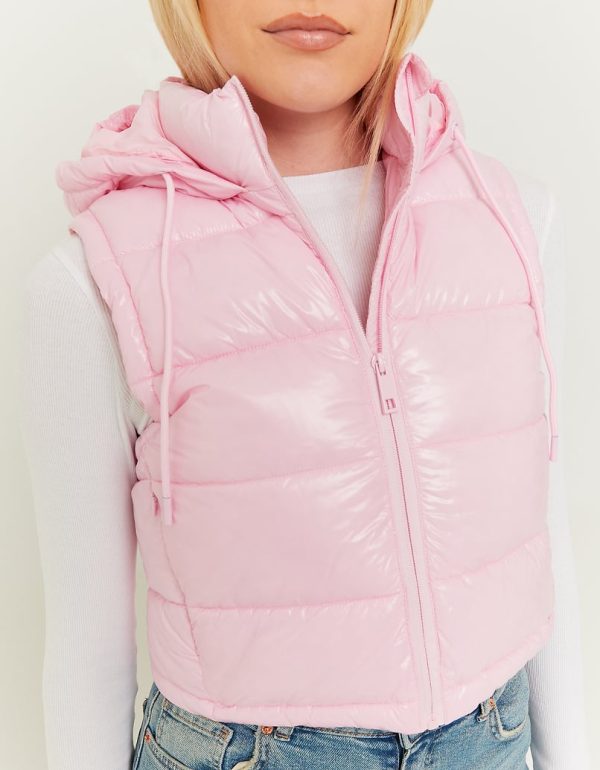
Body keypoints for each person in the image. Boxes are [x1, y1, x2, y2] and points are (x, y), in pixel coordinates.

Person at [19, 1, 590, 769]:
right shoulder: (95, 276)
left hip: (489, 738)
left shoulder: (514, 219)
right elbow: (87, 646)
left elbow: (538, 540)